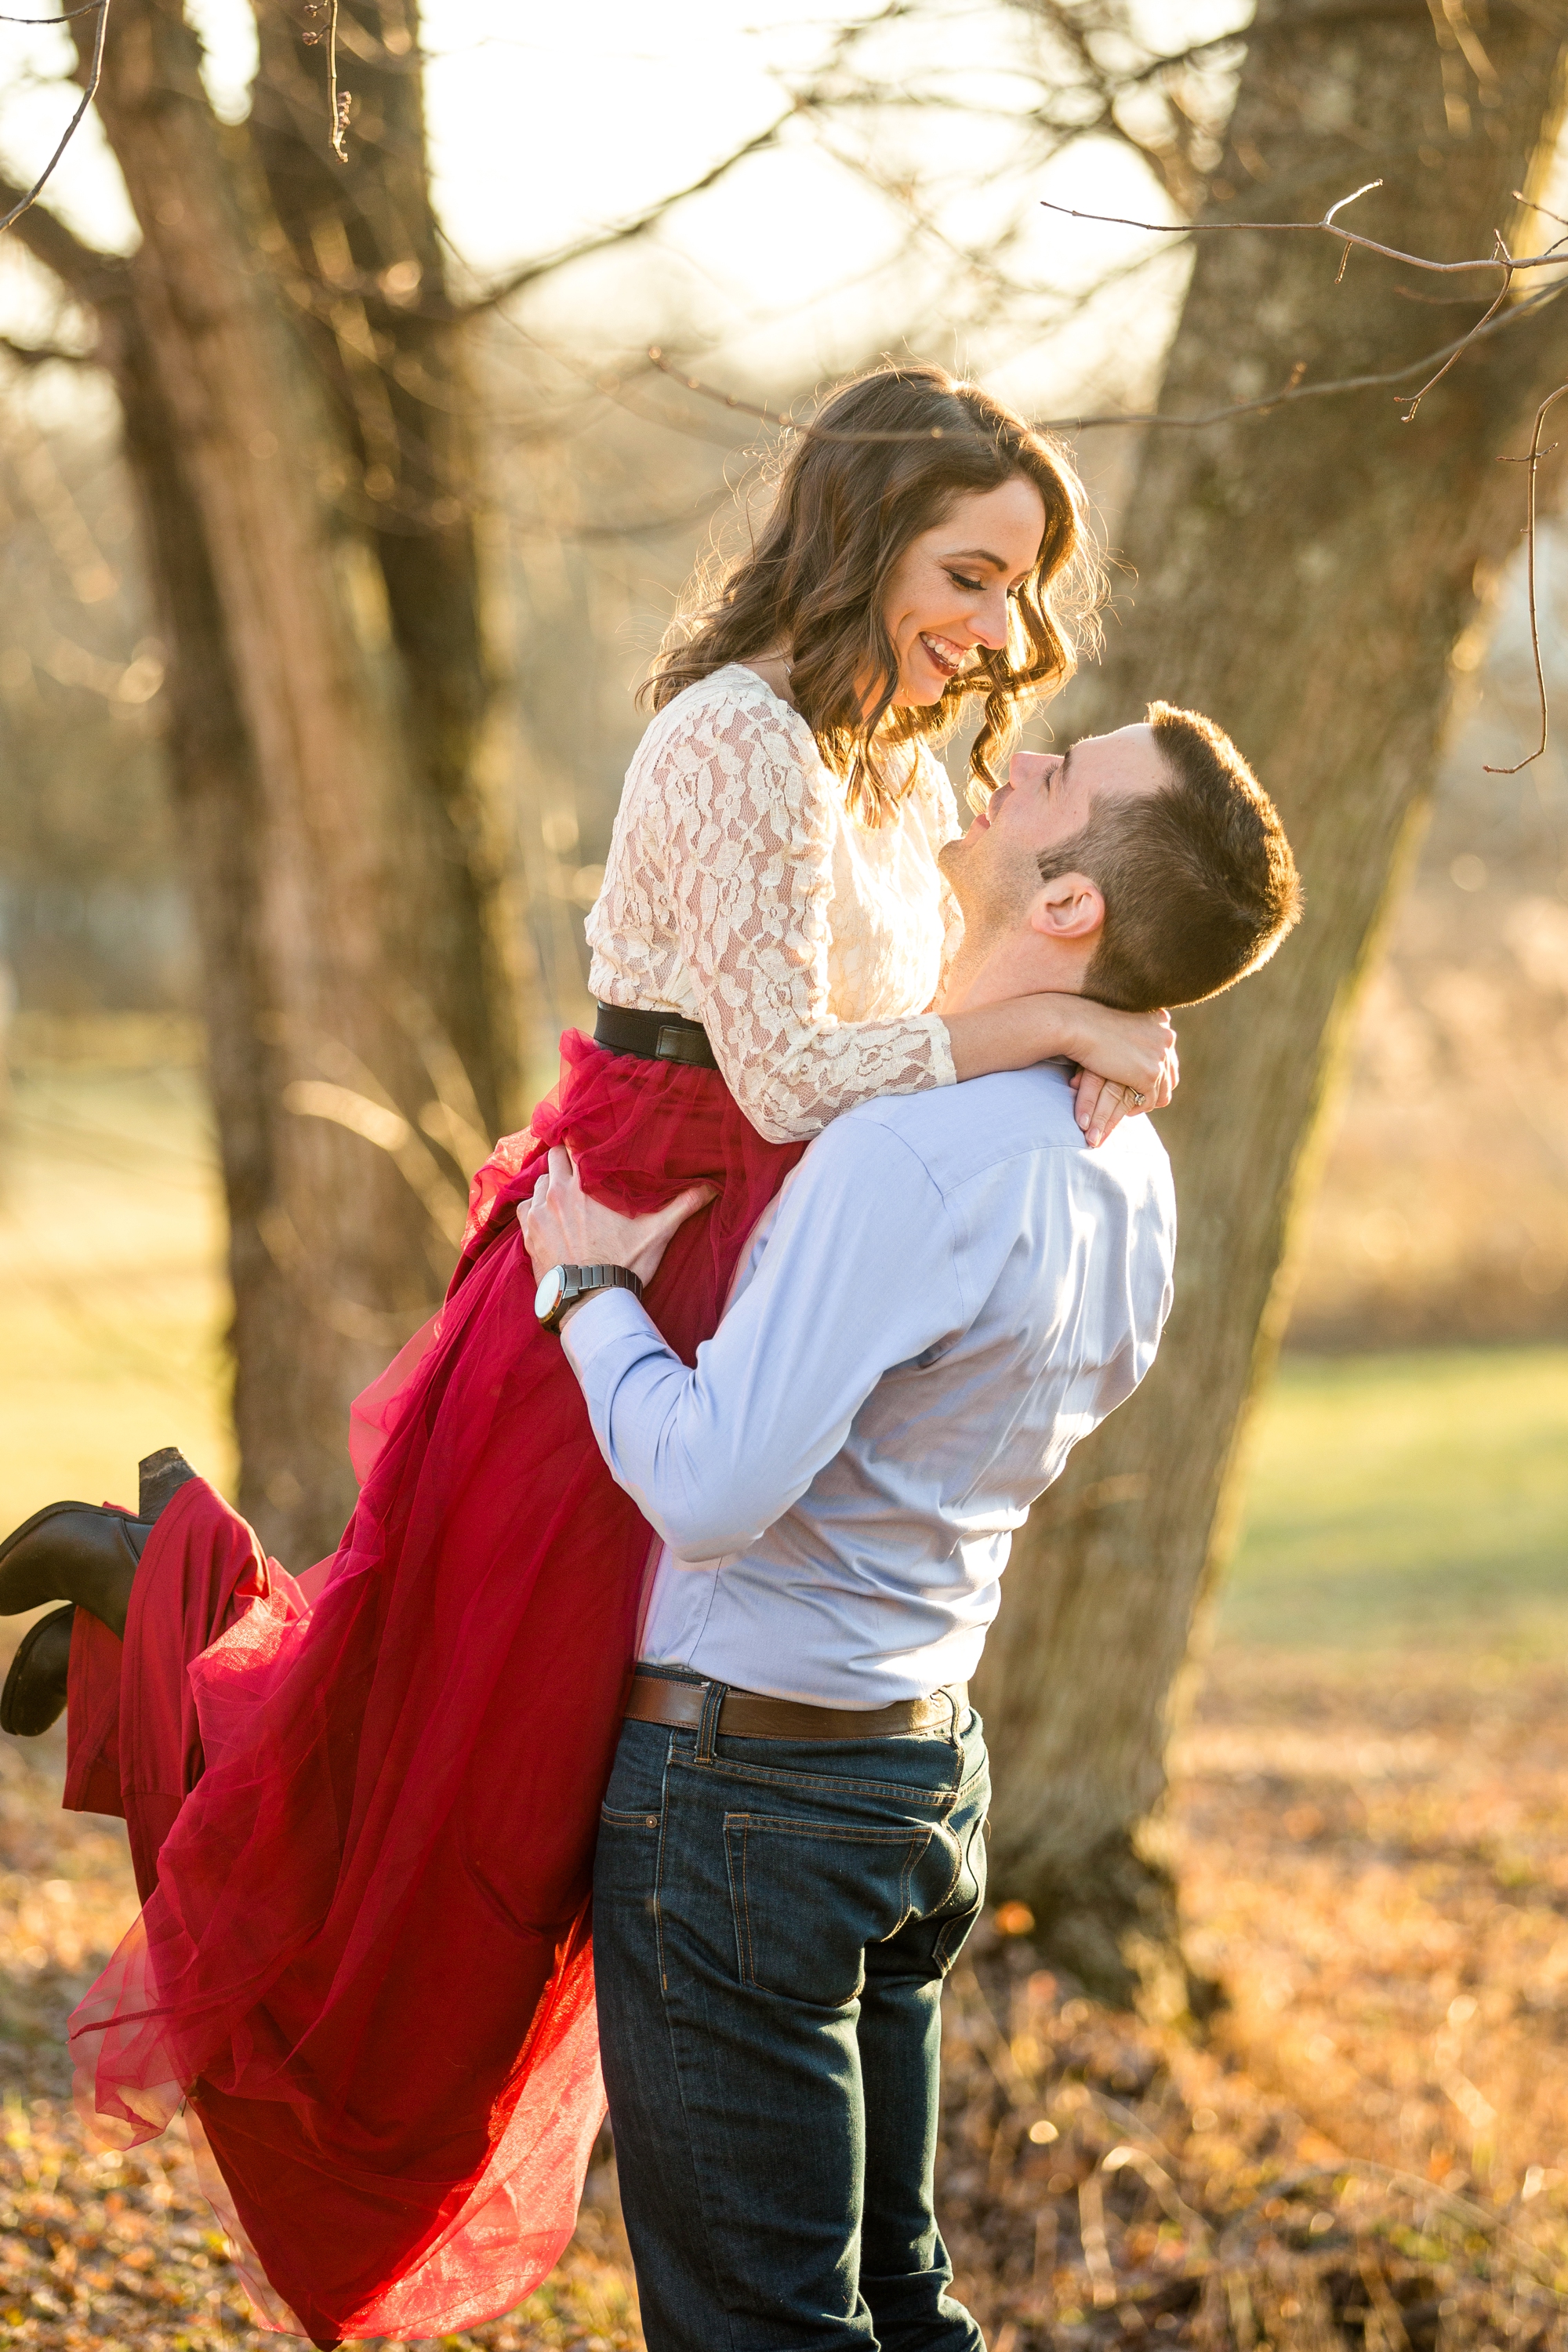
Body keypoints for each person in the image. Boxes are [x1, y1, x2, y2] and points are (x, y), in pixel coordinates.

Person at [0, 363, 1177, 2347]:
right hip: (622, 1248)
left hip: (749, 1277)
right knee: (456, 1787)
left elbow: (1003, 960)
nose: (996, 633)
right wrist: (1043, 1036)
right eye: (969, 572)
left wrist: (1106, 1011)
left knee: (507, 1783)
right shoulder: (731, 738)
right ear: (863, 524)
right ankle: (152, 1602)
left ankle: (154, 1597)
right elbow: (795, 1070)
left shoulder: (896, 770)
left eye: (1018, 590)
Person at [519, 703, 1302, 2352]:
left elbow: (715, 1486)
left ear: (1070, 903)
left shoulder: (906, 1163)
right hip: (916, 1775)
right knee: (897, 2299)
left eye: (1059, 775)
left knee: (771, 2328)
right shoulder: (1128, 1169)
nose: (1012, 753)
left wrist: (588, 1293)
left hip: (750, 1795)